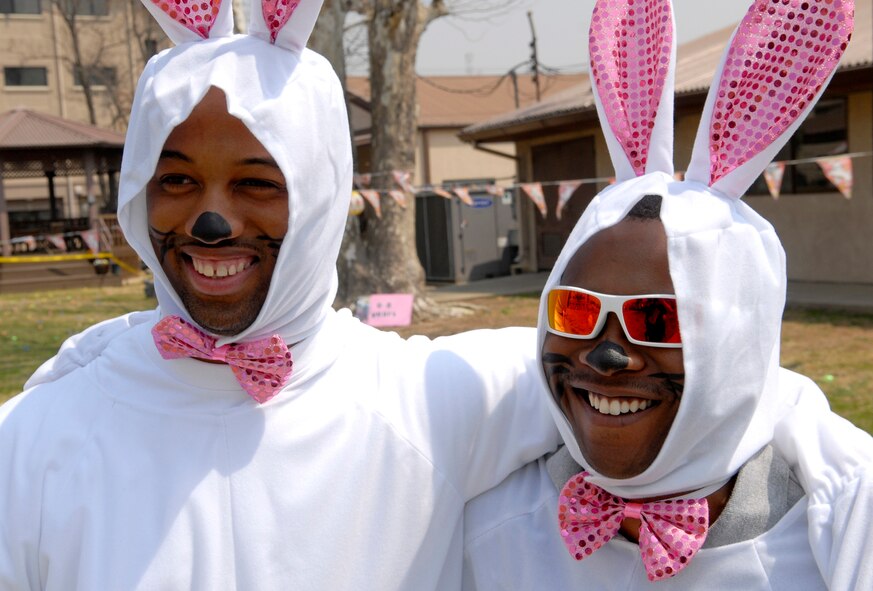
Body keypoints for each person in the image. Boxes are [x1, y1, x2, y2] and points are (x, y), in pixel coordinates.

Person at [0, 1, 560, 589]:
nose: (211, 223)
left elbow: (613, 380)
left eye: (257, 183)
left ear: (320, 194)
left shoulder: (433, 403)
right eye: (177, 180)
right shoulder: (37, 439)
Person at [463, 0, 873, 588]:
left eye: (657, 320)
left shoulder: (823, 547)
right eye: (575, 310)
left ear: (736, 346)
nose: (606, 355)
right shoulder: (490, 531)